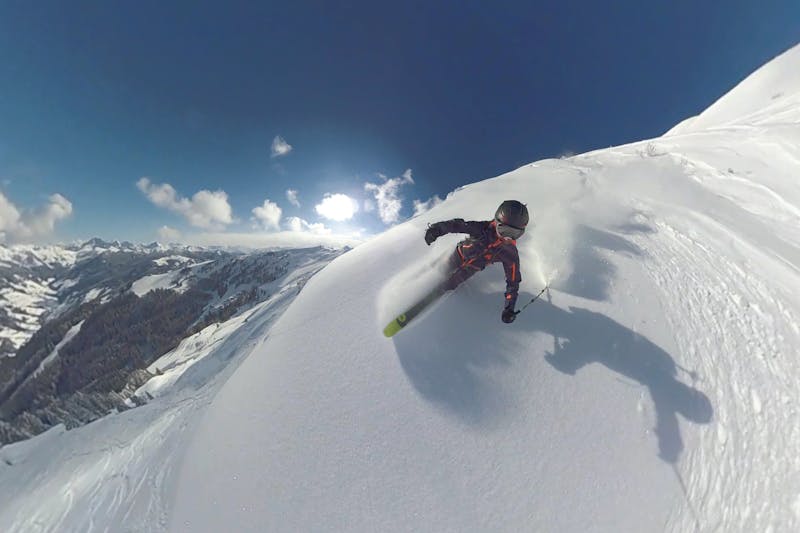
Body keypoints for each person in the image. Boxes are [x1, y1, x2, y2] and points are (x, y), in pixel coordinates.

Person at [424, 200, 529, 324]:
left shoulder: (510, 254)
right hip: (457, 256)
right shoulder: (483, 228)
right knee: (438, 271)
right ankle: (420, 282)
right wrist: (436, 230)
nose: (507, 237)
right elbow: (457, 225)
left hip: (471, 269)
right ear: (496, 222)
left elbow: (513, 283)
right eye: (504, 230)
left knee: (450, 284)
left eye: (514, 234)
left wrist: (509, 308)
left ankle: (431, 300)